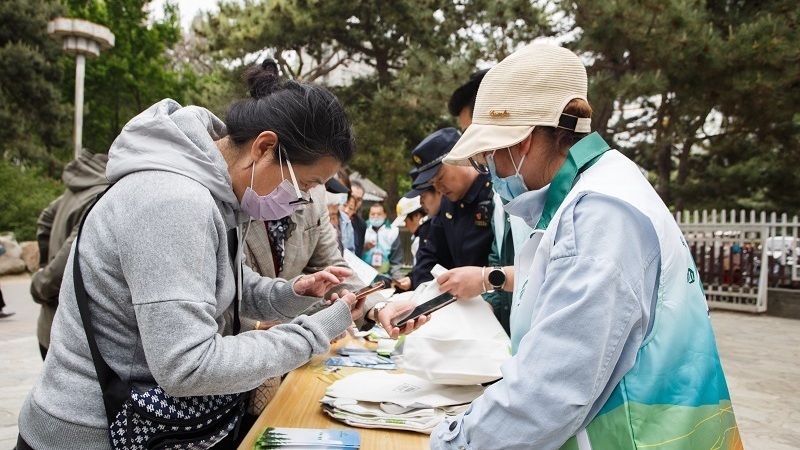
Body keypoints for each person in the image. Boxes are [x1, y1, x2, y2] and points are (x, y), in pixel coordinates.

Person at [17, 59, 424, 450]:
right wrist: (318, 330)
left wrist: (294, 292)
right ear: (265, 147)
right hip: (94, 431)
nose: (301, 200)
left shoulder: (214, 192)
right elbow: (188, 365)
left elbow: (220, 283)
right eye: (303, 184)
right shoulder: (173, 200)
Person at [430, 43, 740, 449]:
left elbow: (550, 391)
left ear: (523, 142)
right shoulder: (605, 188)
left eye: (489, 156)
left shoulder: (599, 214)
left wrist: (456, 440)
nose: (491, 172)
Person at [436, 67, 531, 333]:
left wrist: (484, 279)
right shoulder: (504, 194)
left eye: (476, 136)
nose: (477, 151)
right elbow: (497, 258)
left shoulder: (582, 198)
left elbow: (555, 274)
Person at [30, 149, 110, 359]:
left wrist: (44, 261)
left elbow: (45, 220)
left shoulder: (79, 186)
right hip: (67, 335)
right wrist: (40, 284)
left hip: (49, 329)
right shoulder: (100, 195)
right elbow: (64, 264)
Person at [397, 128, 495, 291]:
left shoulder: (496, 192)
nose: (440, 188)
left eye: (441, 178)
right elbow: (431, 256)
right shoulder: (448, 204)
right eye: (433, 183)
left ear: (462, 157)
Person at [361, 203, 404, 280]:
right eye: (373, 214)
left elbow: (396, 258)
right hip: (365, 275)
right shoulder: (363, 230)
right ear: (369, 215)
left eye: (379, 214)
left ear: (385, 215)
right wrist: (366, 246)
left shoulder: (393, 231)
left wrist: (397, 278)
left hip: (385, 276)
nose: (375, 217)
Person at [392, 196, 425, 264]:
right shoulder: (417, 238)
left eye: (406, 221)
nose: (406, 226)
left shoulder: (426, 239)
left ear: (417, 216)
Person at [345, 180, 367, 255]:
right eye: (352, 196)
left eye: (359, 199)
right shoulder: (333, 217)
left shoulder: (361, 224)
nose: (355, 201)